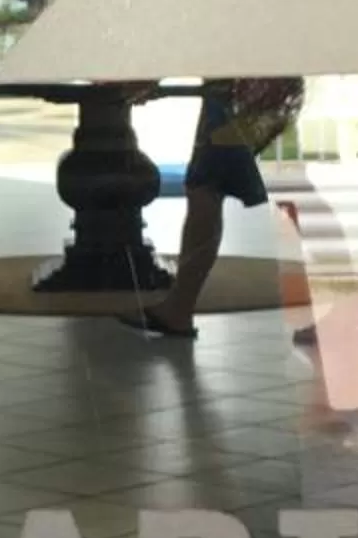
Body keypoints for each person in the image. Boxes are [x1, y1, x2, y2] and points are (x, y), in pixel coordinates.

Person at [125, 77, 299, 340]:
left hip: (234, 95)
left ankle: (179, 308)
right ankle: (179, 305)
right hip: (237, 92)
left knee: (205, 187)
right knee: (206, 187)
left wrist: (153, 79)